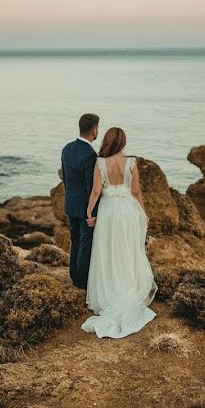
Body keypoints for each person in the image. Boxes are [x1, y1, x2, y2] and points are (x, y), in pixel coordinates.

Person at [80, 127, 157, 338]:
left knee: (108, 250)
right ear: (122, 143)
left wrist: (89, 212)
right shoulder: (131, 163)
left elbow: (96, 191)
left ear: (107, 141)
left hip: (108, 212)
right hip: (127, 210)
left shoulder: (100, 163)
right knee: (127, 249)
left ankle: (110, 292)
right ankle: (128, 288)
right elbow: (136, 192)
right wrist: (143, 213)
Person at [60, 113, 100, 289]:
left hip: (70, 203)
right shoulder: (90, 154)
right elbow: (91, 187)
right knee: (85, 244)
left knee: (75, 241)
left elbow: (66, 179)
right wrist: (92, 212)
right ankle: (82, 283)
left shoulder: (67, 148)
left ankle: (74, 276)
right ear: (94, 130)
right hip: (85, 207)